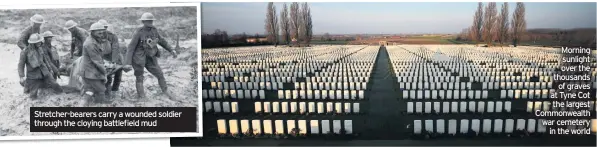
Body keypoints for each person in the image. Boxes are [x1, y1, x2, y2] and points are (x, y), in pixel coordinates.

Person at [124, 12, 177, 99]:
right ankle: (141, 97)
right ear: (143, 22)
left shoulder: (154, 30)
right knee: (139, 77)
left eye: (151, 21)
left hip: (151, 57)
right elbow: (131, 47)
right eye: (147, 21)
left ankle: (165, 91)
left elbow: (162, 41)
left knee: (159, 73)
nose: (150, 23)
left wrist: (171, 50)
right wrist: (127, 63)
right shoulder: (139, 32)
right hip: (139, 58)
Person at [18, 33, 63, 99]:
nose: (40, 43)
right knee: (33, 95)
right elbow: (21, 65)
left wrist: (50, 69)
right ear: (33, 43)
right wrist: (21, 76)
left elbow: (46, 60)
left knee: (55, 84)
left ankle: (62, 95)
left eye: (40, 41)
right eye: (37, 42)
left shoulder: (40, 49)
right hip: (33, 75)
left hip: (45, 72)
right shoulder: (25, 52)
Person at [80, 22, 111, 104]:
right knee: (101, 90)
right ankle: (99, 105)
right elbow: (97, 61)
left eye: (102, 32)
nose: (101, 35)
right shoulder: (91, 44)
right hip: (90, 72)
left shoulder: (95, 40)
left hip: (88, 71)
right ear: (92, 32)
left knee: (89, 91)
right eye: (99, 33)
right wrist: (105, 74)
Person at [98, 19, 124, 92]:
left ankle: (115, 90)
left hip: (115, 57)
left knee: (118, 74)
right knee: (107, 75)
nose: (103, 30)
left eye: (105, 28)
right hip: (104, 58)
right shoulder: (95, 37)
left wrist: (113, 61)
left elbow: (115, 49)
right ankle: (107, 91)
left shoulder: (112, 36)